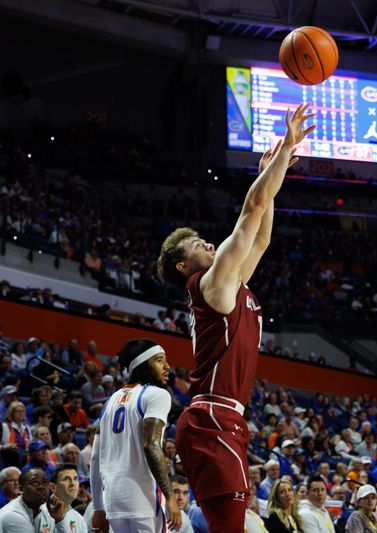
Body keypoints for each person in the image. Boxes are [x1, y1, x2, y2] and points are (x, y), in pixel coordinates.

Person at [158, 104, 314, 533]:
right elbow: (250, 211)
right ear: (181, 265)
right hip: (212, 418)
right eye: (195, 243)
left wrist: (271, 177)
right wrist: (284, 152)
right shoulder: (210, 284)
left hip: (223, 418)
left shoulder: (229, 282)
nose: (207, 242)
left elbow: (261, 232)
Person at [90, 338, 181, 533]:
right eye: (159, 360)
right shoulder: (157, 394)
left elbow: (96, 456)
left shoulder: (111, 400)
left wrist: (98, 506)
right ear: (142, 364)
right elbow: (151, 445)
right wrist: (171, 497)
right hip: (145, 497)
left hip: (114, 500)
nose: (167, 366)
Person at [0, 467, 70, 532]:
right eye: (35, 482)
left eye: (45, 482)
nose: (41, 487)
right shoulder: (12, 515)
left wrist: (59, 519)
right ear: (21, 488)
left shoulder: (48, 511)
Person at [49, 463, 87, 533]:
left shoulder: (79, 519)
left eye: (75, 479)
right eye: (66, 479)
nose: (72, 483)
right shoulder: (40, 512)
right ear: (53, 487)